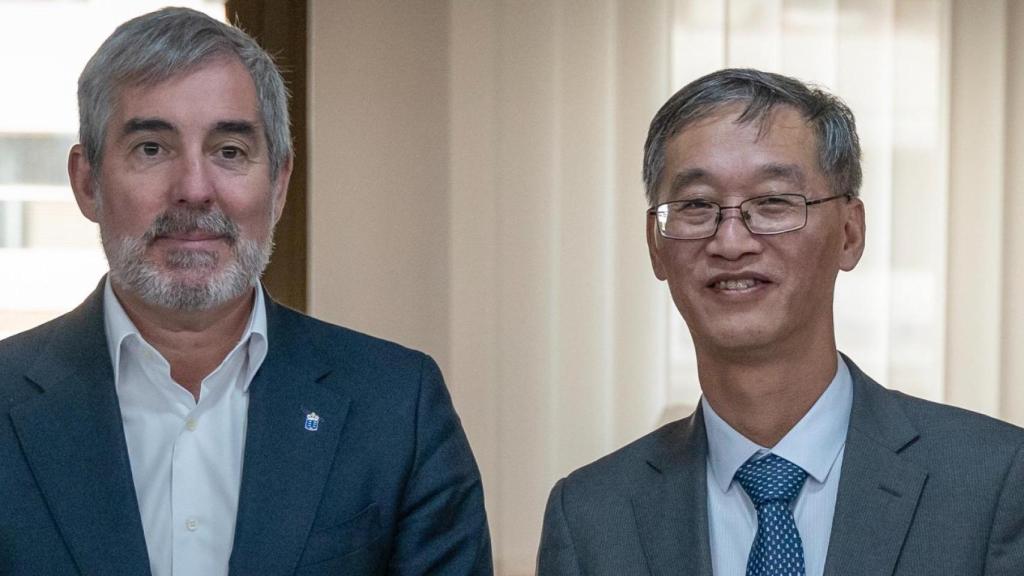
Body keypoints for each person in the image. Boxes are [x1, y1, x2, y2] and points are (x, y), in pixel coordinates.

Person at [0, 7, 490, 575]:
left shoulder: (397, 407)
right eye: (152, 149)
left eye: (229, 151)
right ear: (88, 183)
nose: (193, 189)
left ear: (278, 186)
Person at [537, 68, 1024, 575]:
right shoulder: (591, 516)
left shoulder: (995, 482)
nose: (730, 242)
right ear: (655, 246)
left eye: (772, 202)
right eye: (696, 205)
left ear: (850, 233)